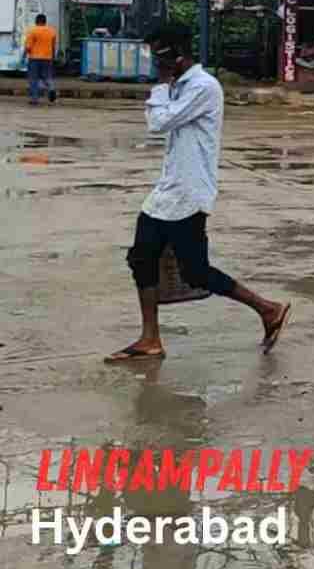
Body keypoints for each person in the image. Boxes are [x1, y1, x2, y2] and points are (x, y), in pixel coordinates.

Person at [105, 23, 290, 362]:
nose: (155, 64)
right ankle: (150, 339)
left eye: (160, 57)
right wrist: (166, 88)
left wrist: (161, 90)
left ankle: (268, 309)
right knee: (142, 259)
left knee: (196, 271)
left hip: (190, 193)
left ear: (178, 55)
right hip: (166, 191)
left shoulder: (204, 87)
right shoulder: (178, 85)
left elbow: (159, 123)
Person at [23, 13, 57, 105]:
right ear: (45, 21)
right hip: (48, 58)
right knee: (47, 77)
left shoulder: (32, 31)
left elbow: (28, 47)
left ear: (36, 21)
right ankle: (51, 88)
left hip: (34, 58)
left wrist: (23, 56)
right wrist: (53, 57)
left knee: (33, 79)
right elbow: (53, 46)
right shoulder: (52, 31)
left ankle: (34, 99)